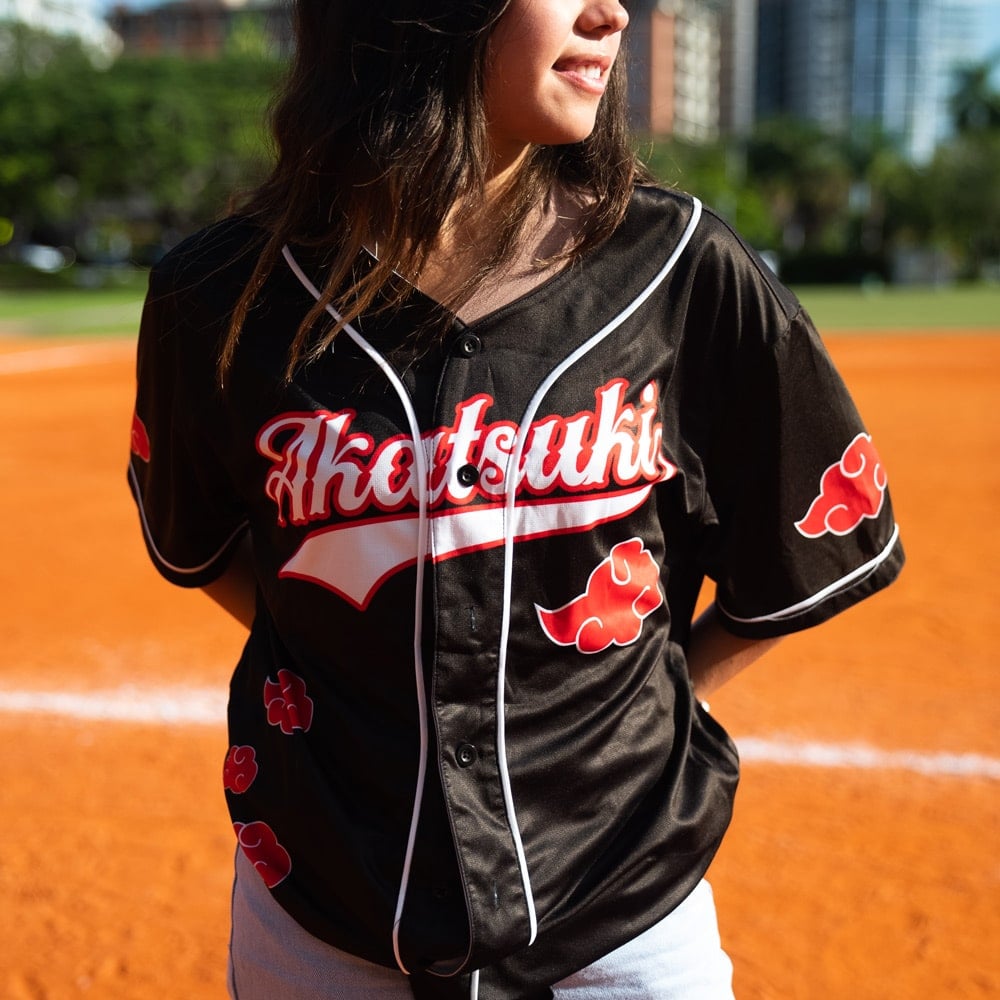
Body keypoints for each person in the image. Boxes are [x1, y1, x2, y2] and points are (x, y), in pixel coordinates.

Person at [127, 2, 904, 998]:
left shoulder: (677, 266)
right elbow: (206, 546)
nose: (610, 12)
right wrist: (366, 656)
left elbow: (802, 555)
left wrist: (640, 700)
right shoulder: (221, 292)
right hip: (323, 897)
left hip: (617, 904)